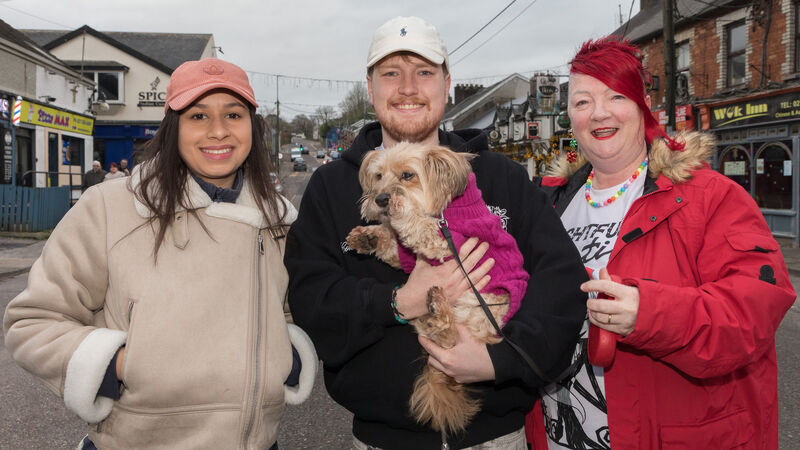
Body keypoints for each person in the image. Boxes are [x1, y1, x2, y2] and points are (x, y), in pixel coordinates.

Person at [284, 16, 587, 450]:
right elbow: (311, 299)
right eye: (391, 73)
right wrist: (398, 301)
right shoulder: (331, 187)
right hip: (381, 439)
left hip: (496, 435)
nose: (408, 87)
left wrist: (498, 359)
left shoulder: (500, 175)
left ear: (447, 85)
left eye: (424, 72)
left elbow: (561, 281)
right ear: (370, 90)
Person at [3, 58, 317, 449]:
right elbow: (34, 320)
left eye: (233, 114)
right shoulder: (111, 207)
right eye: (198, 115)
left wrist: (284, 357)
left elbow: (290, 311)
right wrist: (119, 366)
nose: (218, 131)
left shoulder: (279, 221)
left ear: (252, 125)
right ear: (174, 126)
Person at [528, 37, 796, 449]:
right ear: (569, 115)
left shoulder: (711, 196)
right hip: (558, 433)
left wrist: (649, 313)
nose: (599, 112)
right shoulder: (546, 204)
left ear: (643, 103)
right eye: (582, 102)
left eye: (616, 95)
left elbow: (754, 311)